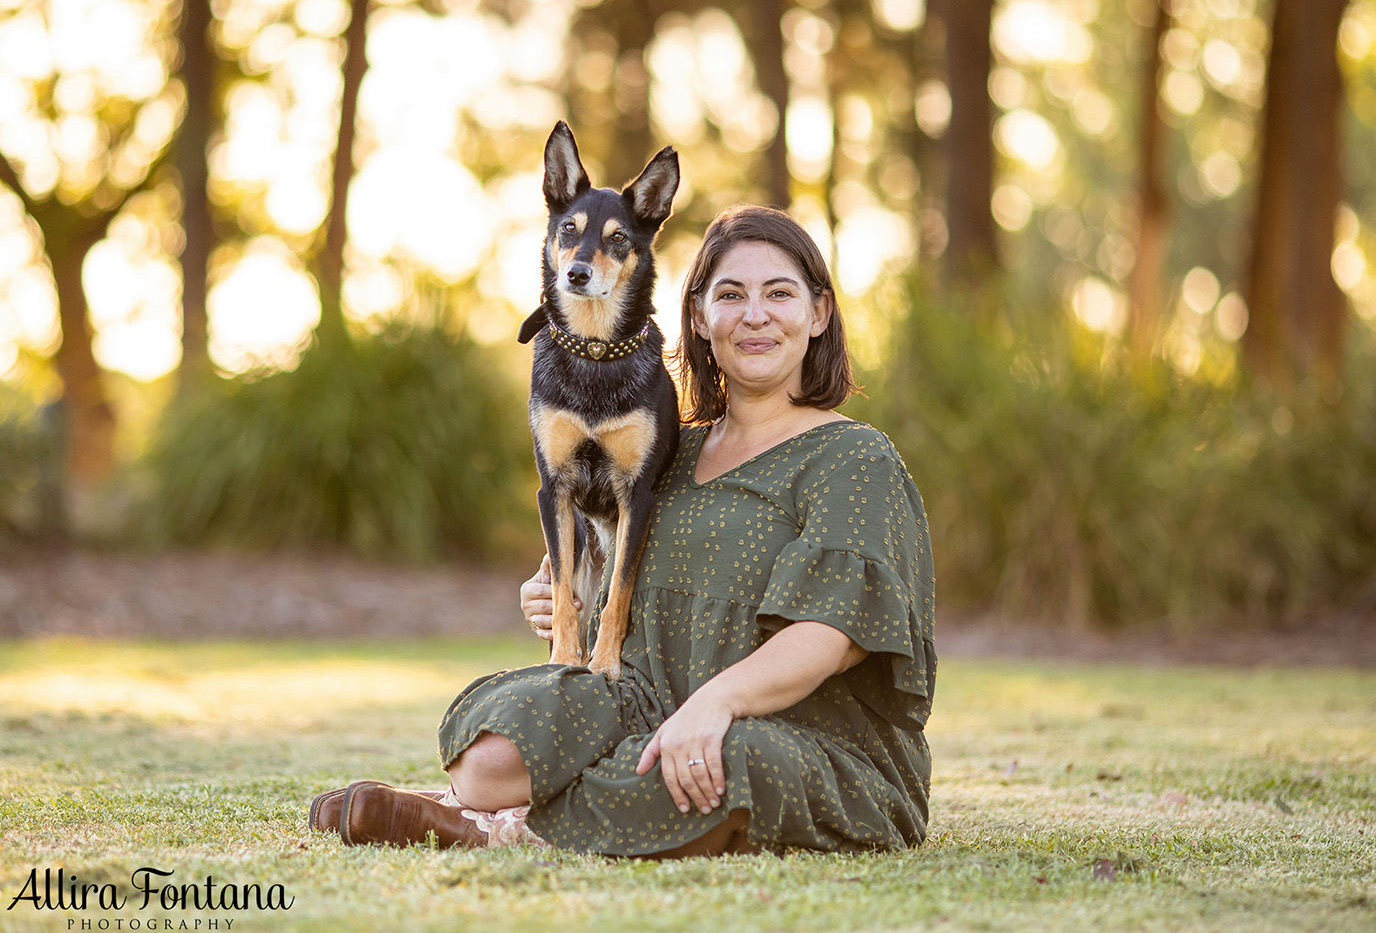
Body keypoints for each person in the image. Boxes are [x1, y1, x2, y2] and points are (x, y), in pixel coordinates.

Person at [311, 205, 936, 856]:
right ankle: (487, 799)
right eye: (730, 295)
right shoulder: (671, 448)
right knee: (497, 748)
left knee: (729, 761)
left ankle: (488, 828)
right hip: (642, 705)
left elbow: (831, 636)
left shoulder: (853, 458)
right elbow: (608, 557)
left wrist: (715, 704)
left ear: (819, 314)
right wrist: (558, 590)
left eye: (779, 293)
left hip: (798, 734)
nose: (755, 314)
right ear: (698, 317)